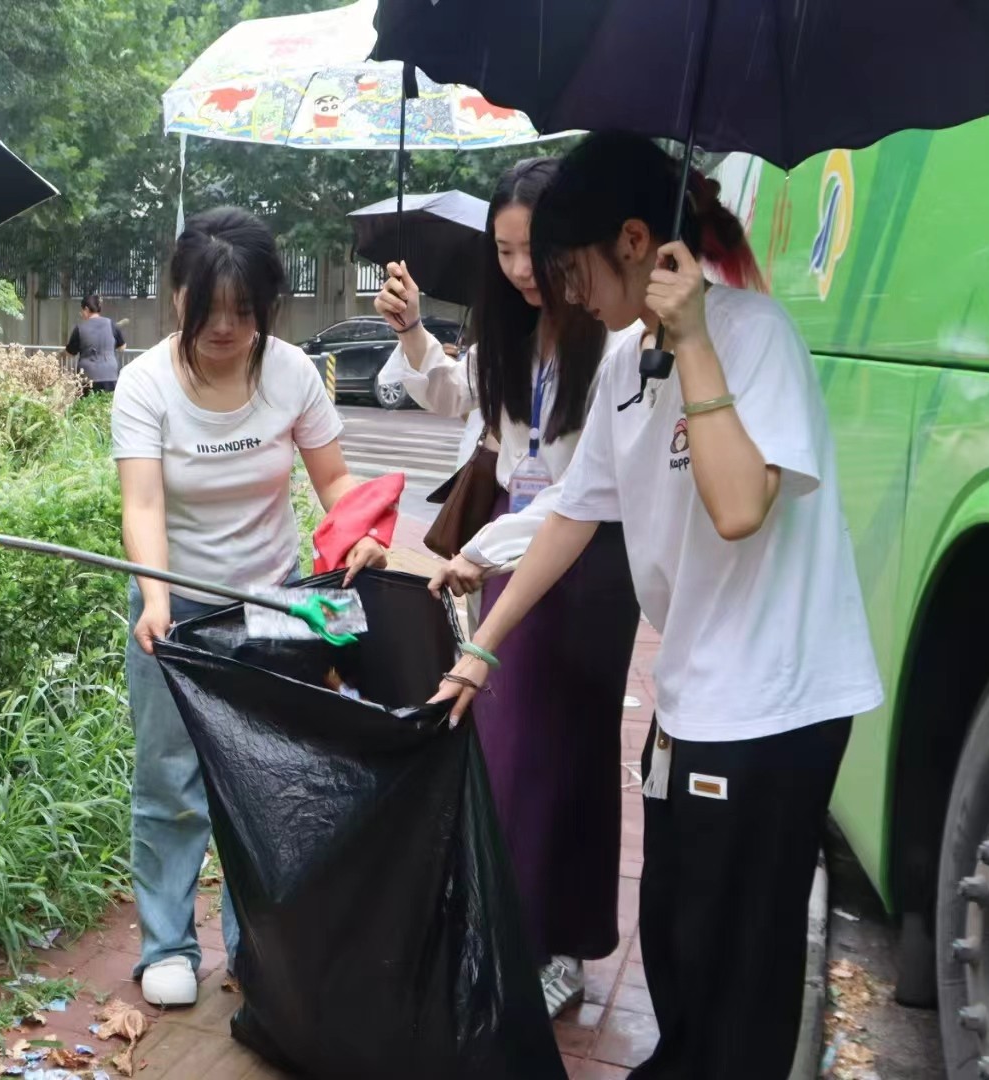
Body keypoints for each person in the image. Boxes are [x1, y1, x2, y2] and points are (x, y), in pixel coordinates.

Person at [434, 132, 882, 1079]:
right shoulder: (624, 367)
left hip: (775, 704)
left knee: (738, 956)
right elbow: (572, 511)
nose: (565, 293)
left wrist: (697, 343)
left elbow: (737, 508)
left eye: (571, 269)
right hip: (693, 693)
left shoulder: (754, 339)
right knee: (676, 928)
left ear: (636, 241)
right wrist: (484, 649)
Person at [372, 156, 642, 1017]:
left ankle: (558, 944)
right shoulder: (513, 338)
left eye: (537, 250)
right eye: (505, 250)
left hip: (584, 571)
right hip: (508, 567)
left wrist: (486, 548)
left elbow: (587, 496)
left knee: (566, 757)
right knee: (508, 756)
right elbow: (460, 397)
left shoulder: (618, 343)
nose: (523, 269)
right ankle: (509, 931)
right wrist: (413, 331)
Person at [112, 206, 389, 1008]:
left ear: (268, 305)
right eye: (209, 309)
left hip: (272, 601)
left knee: (264, 774)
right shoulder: (145, 383)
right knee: (169, 780)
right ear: (177, 294)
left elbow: (334, 480)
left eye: (244, 310)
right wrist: (155, 598)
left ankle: (254, 942)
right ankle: (167, 946)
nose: (226, 328)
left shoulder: (292, 373)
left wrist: (361, 533)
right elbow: (143, 505)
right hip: (176, 606)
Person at [66, 294, 126, 392]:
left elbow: (70, 353)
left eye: (82, 311)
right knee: (108, 401)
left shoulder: (80, 328)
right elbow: (122, 347)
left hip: (87, 377)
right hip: (110, 375)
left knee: (87, 402)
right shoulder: (111, 324)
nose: (81, 314)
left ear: (86, 309)